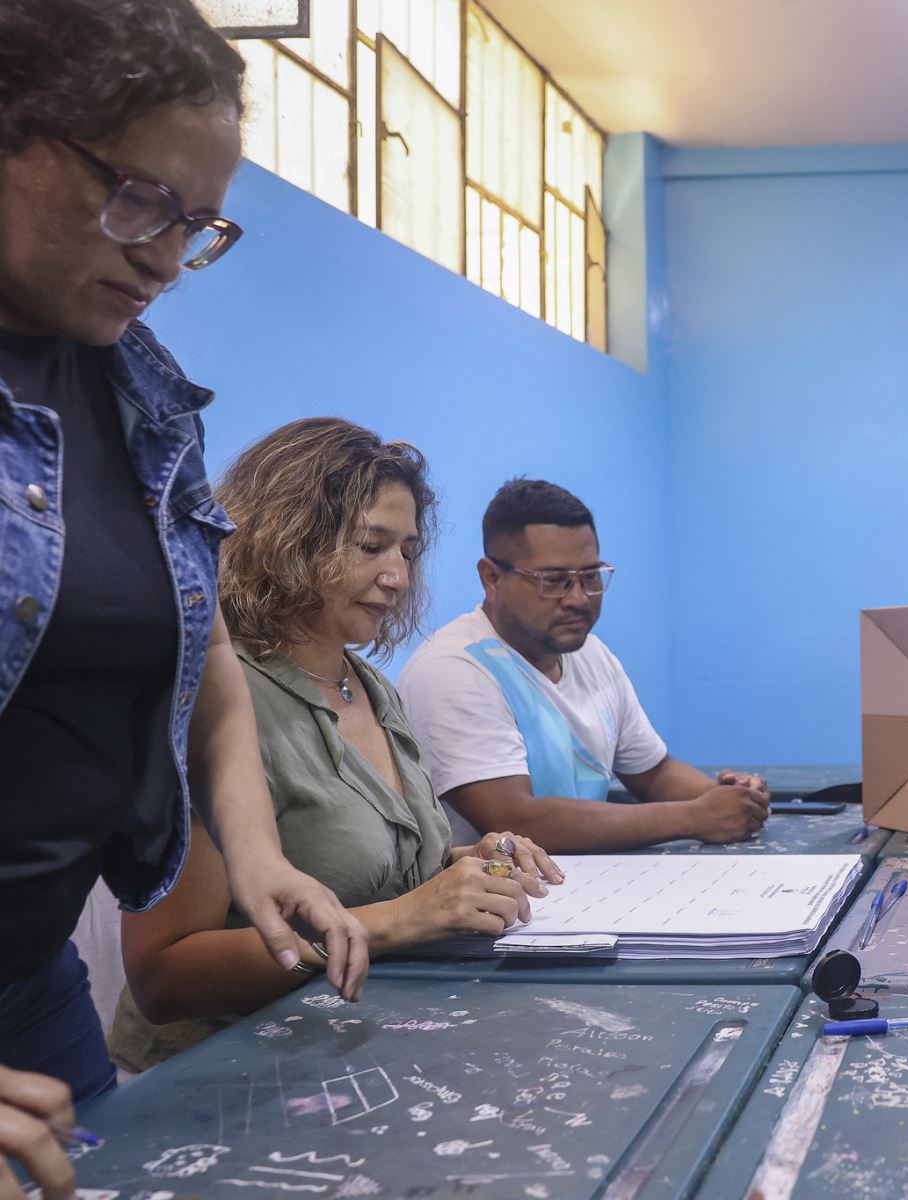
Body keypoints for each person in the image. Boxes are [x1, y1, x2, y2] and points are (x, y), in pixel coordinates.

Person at [0, 1, 365, 1190]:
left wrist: (255, 853)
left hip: (29, 977)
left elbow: (192, 637)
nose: (164, 254)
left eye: (198, 224)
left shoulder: (140, 396)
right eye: (140, 198)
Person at [111, 419, 560, 1071]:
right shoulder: (211, 697)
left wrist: (470, 867)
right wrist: (405, 919)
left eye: (406, 551)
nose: (397, 577)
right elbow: (165, 976)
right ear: (284, 540)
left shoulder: (370, 685)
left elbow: (362, 868)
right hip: (217, 1076)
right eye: (371, 546)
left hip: (352, 1049)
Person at [399, 480, 771, 851]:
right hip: (498, 903)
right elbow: (514, 820)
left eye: (590, 576)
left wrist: (731, 800)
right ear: (491, 578)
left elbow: (655, 774)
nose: (577, 599)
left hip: (588, 888)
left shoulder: (592, 655)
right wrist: (694, 817)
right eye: (554, 581)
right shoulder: (452, 668)